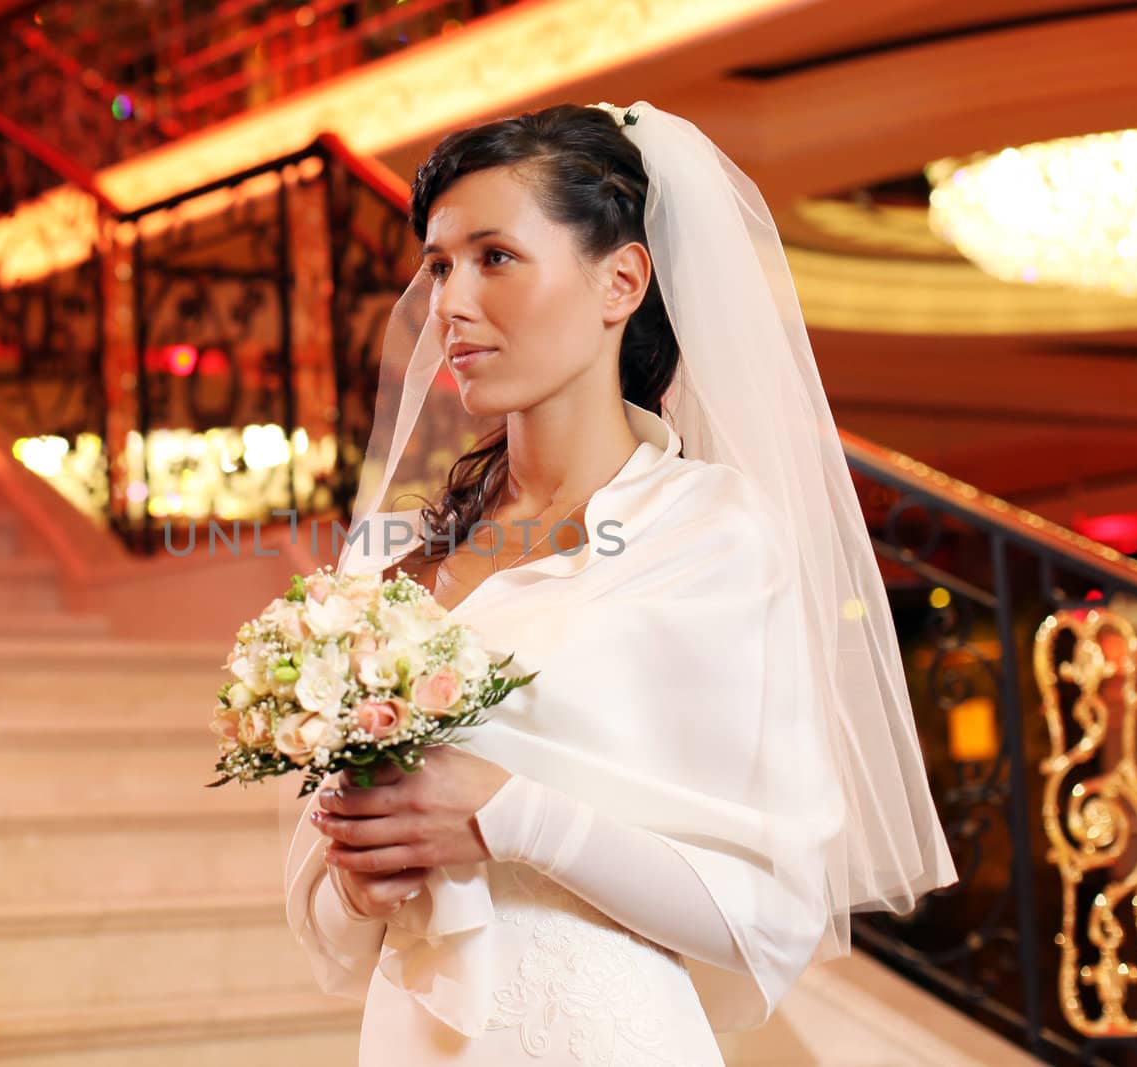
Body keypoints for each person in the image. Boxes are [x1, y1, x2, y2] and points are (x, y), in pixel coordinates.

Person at [280, 101, 959, 1065]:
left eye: (494, 257)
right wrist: (358, 877)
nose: (450, 304)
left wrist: (505, 811)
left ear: (621, 281)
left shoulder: (708, 536)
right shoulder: (397, 562)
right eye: (438, 266)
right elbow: (333, 923)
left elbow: (766, 916)